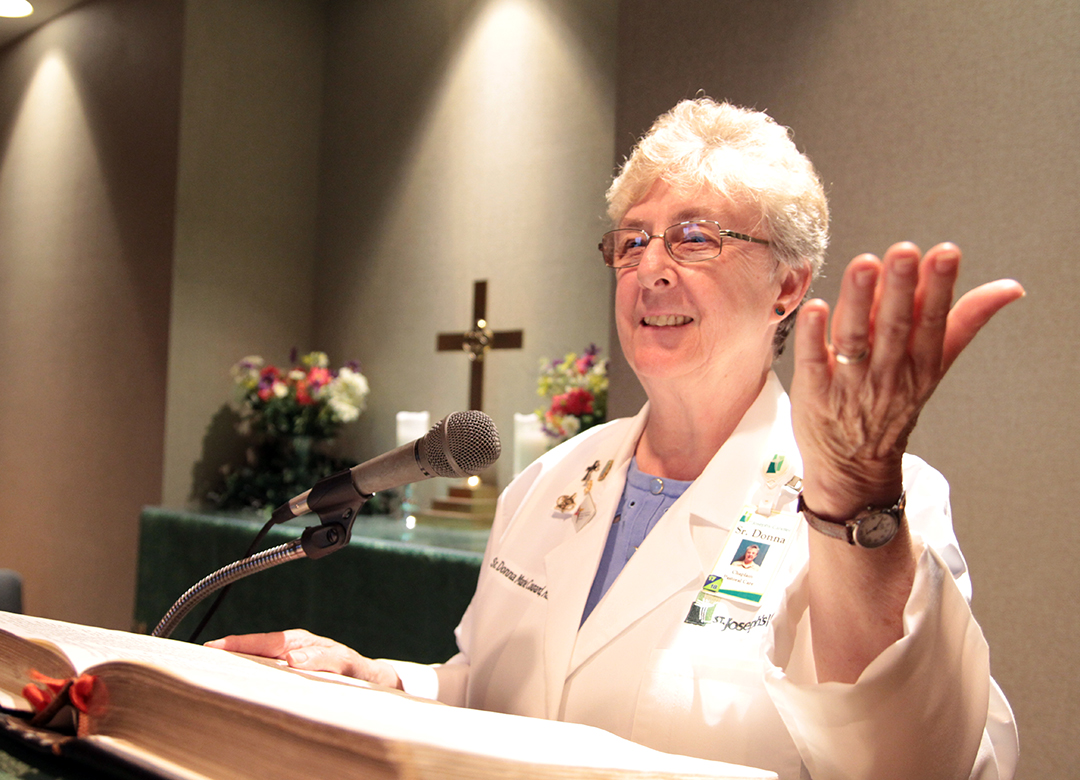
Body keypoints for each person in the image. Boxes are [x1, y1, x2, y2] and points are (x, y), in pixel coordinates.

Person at [208, 98, 1023, 779]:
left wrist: (854, 494)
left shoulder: (875, 504)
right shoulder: (555, 477)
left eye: (695, 237)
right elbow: (488, 697)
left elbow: (919, 760)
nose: (651, 267)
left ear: (788, 283)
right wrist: (380, 679)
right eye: (632, 240)